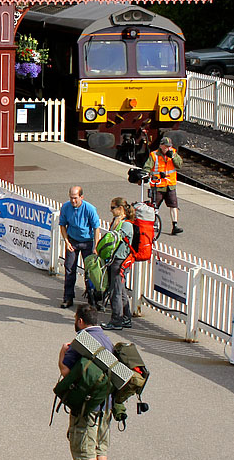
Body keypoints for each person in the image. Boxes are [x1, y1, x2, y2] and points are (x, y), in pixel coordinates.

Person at [58, 306, 115, 460]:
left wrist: (62, 353)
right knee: (101, 446)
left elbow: (66, 371)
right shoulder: (106, 340)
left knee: (86, 448)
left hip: (88, 405)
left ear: (81, 321)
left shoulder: (81, 342)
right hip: (106, 403)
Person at [59, 186, 101, 309]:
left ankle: (92, 299)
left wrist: (96, 245)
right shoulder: (66, 207)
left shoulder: (90, 209)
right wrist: (67, 241)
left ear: (81, 197)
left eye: (75, 198)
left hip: (87, 242)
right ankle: (68, 297)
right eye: (71, 198)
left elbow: (96, 228)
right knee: (69, 269)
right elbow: (62, 225)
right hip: (72, 240)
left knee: (90, 272)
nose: (73, 201)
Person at [102, 200, 136, 330]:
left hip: (119, 261)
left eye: (113, 208)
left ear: (120, 208)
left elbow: (113, 240)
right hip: (118, 260)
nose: (111, 210)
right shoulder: (121, 222)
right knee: (121, 290)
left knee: (115, 291)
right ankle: (126, 318)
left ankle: (116, 321)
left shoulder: (125, 225)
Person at [143, 135, 183, 235]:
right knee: (154, 206)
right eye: (166, 146)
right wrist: (147, 174)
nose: (168, 148)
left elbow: (179, 165)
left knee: (174, 205)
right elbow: (147, 167)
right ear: (161, 146)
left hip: (170, 185)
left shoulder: (173, 153)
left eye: (169, 146)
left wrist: (173, 157)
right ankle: (154, 223)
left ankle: (175, 225)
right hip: (158, 185)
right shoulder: (154, 155)